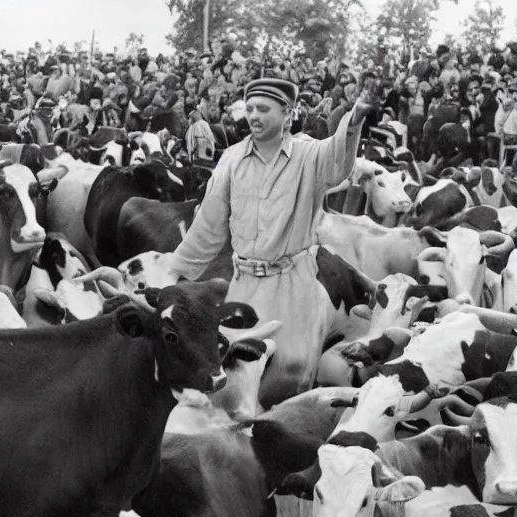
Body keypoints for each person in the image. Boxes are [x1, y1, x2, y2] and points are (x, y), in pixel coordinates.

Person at [149, 77, 372, 402]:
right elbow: (209, 222)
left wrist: (351, 125)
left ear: (287, 115)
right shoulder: (232, 159)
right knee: (231, 376)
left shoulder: (308, 153)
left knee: (293, 375)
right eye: (252, 109)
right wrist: (176, 271)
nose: (256, 117)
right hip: (243, 281)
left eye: (265, 109)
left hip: (295, 283)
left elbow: (337, 163)